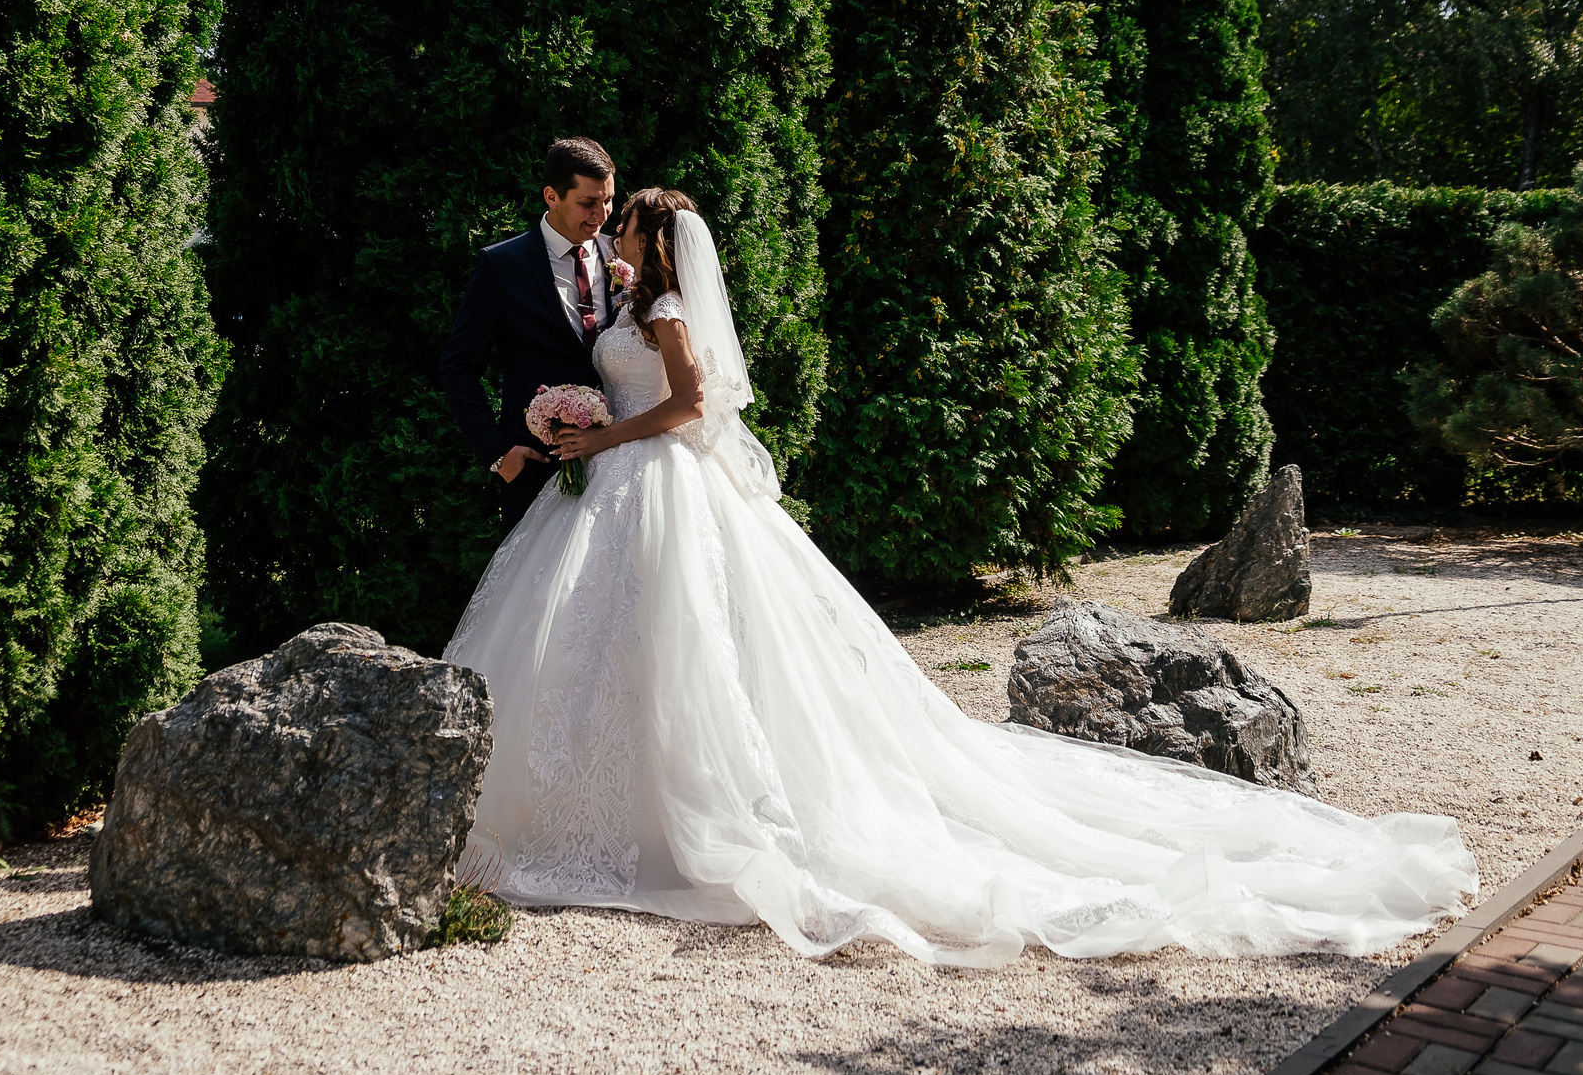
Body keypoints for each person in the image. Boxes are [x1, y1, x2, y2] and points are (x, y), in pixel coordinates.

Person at [444, 186, 1478, 967]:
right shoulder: (634, 299)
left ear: (651, 240)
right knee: (603, 645)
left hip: (653, 476)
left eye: (622, 224)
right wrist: (563, 418)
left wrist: (603, 431)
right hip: (615, 483)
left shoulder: (666, 307)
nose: (611, 234)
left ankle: (676, 818)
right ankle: (596, 806)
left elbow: (690, 404)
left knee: (686, 644)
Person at [438, 137, 625, 533]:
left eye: (608, 200)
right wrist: (498, 452)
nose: (601, 214)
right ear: (551, 196)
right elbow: (458, 367)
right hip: (537, 468)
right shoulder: (501, 265)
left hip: (620, 460)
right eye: (588, 203)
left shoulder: (621, 256)